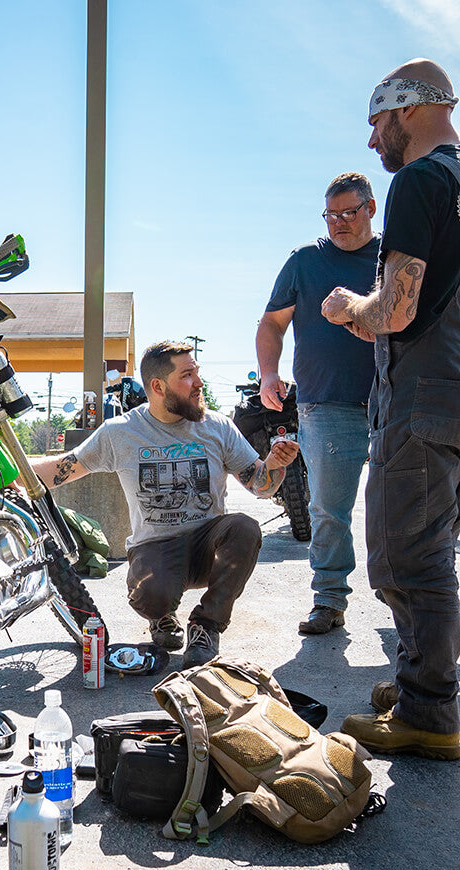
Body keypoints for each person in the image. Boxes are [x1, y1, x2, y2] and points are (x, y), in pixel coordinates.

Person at [321, 58, 460, 760]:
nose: (374, 142)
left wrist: (352, 308)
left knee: (408, 558)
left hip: (425, 399)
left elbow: (398, 312)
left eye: (376, 122)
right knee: (433, 549)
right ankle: (424, 682)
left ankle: (430, 714)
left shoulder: (422, 179)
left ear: (406, 108)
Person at [30, 342, 299, 667]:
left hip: (207, 548)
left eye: (197, 373)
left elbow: (261, 485)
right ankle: (161, 617)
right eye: (187, 376)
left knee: (245, 527)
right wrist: (5, 476)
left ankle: (206, 626)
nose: (199, 383)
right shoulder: (121, 433)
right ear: (158, 386)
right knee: (151, 594)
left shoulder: (217, 427)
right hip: (155, 548)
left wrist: (274, 464)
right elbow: (64, 468)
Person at [258, 174, 379, 636]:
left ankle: (407, 601)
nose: (339, 223)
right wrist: (269, 373)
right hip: (325, 404)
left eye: (349, 213)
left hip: (395, 398)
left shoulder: (395, 258)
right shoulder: (305, 261)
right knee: (329, 509)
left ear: (371, 208)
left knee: (399, 510)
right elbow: (271, 324)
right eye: (331, 215)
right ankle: (328, 598)